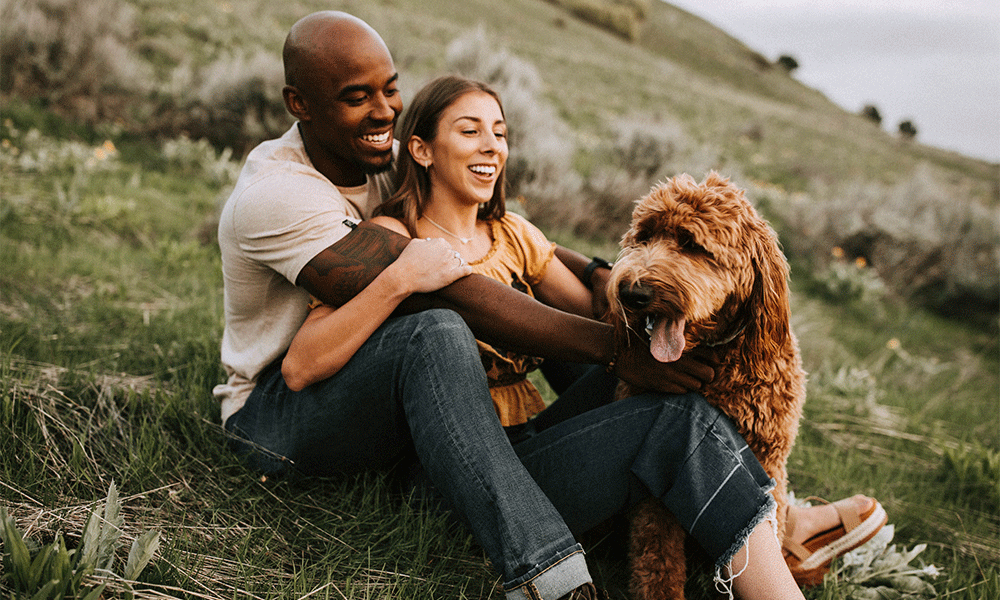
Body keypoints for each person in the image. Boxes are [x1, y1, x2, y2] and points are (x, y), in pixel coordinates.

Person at [216, 11, 883, 600]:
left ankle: (769, 524)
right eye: (356, 97)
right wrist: (611, 348)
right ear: (299, 104)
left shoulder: (391, 159)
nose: (385, 113)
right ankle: (548, 572)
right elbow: (428, 303)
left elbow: (554, 264)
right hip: (283, 415)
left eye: (391, 89)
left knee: (670, 405)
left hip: (475, 433)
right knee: (440, 328)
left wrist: (633, 295)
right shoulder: (286, 196)